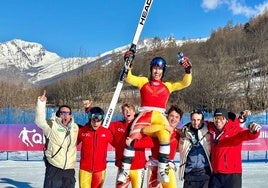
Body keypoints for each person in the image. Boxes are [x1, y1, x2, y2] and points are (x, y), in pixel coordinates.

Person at [118, 51, 192, 183]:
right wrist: (128, 63)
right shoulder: (143, 82)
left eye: (159, 69)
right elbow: (128, 78)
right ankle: (125, 170)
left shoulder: (167, 86)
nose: (157, 72)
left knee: (165, 135)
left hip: (159, 115)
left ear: (163, 71)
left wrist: (187, 70)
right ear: (151, 69)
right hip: (145, 114)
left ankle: (163, 169)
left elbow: (185, 83)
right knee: (132, 137)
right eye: (155, 69)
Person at [129, 104, 183, 188]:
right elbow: (144, 132)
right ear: (166, 116)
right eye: (171, 116)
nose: (174, 119)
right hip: (154, 168)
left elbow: (182, 148)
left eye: (177, 117)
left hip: (168, 168)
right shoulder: (157, 130)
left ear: (179, 120)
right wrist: (133, 143)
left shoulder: (178, 134)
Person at [207, 108, 262, 188]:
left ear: (226, 119)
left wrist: (254, 132)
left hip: (232, 175)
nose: (218, 121)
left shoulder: (235, 131)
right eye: (216, 118)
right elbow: (201, 123)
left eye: (221, 118)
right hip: (216, 174)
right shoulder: (212, 129)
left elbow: (247, 135)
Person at [35, 90, 79, 188]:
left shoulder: (75, 127)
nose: (65, 115)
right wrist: (41, 103)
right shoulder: (51, 125)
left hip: (69, 169)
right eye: (62, 112)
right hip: (54, 167)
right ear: (58, 114)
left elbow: (91, 128)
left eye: (67, 113)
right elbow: (39, 121)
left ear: (71, 115)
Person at [109, 103, 147, 188]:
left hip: (138, 167)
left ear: (134, 112)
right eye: (124, 111)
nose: (127, 112)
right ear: (122, 113)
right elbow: (102, 123)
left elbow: (150, 142)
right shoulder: (117, 125)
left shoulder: (141, 126)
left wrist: (134, 143)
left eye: (129, 110)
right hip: (123, 167)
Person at [77, 106, 113, 188]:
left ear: (102, 121)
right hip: (85, 169)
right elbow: (71, 144)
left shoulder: (106, 132)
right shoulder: (82, 131)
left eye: (98, 121)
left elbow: (118, 144)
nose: (95, 123)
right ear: (90, 119)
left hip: (100, 170)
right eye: (93, 120)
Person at [178, 109, 212, 188]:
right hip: (190, 173)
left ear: (203, 120)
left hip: (205, 173)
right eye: (193, 120)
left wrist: (241, 121)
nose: (196, 122)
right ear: (190, 120)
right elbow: (180, 149)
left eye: (198, 120)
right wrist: (182, 138)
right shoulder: (185, 132)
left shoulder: (208, 132)